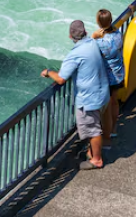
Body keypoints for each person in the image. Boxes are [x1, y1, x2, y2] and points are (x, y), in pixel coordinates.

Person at [41, 19, 110, 170]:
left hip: (89, 98)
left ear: (70, 36)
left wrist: (48, 72)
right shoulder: (92, 42)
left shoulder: (75, 54)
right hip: (102, 91)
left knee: (93, 130)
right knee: (95, 124)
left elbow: (60, 79)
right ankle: (92, 153)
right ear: (84, 32)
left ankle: (96, 160)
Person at [91, 8, 125, 148]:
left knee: (106, 109)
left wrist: (93, 37)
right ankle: (114, 129)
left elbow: (87, 50)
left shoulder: (100, 42)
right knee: (114, 102)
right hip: (119, 73)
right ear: (111, 21)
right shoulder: (117, 34)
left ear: (98, 22)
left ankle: (107, 135)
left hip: (107, 78)